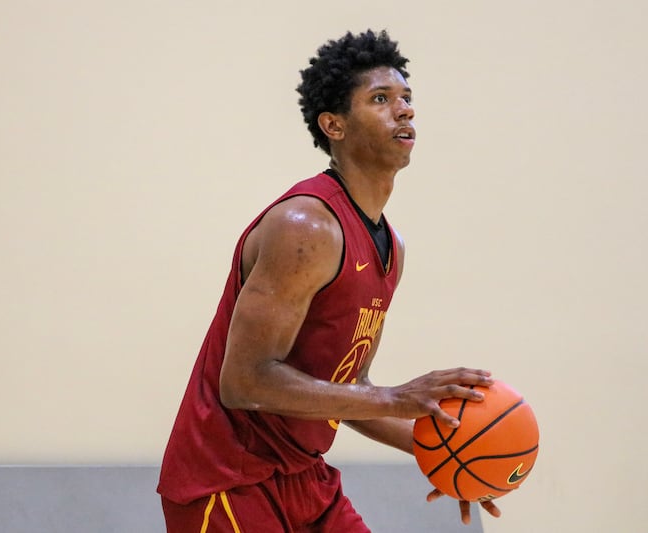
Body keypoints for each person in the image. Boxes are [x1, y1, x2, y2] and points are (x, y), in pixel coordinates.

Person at [157, 29, 501, 532]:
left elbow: (347, 389)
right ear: (333, 125)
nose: (404, 110)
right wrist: (395, 397)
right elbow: (244, 381)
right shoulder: (306, 226)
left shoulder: (391, 248)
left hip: (303, 477)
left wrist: (453, 455)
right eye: (380, 99)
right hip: (228, 480)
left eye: (407, 98)